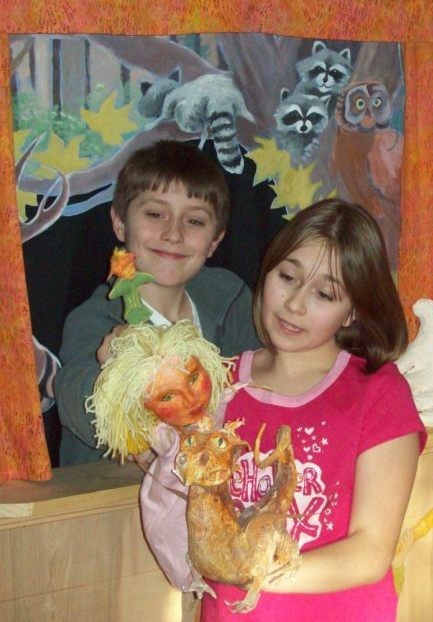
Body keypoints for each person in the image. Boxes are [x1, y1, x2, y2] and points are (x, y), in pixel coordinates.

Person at [196, 198, 427, 621]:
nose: (295, 304)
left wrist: (249, 571)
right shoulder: (217, 382)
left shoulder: (379, 392)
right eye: (288, 277)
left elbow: (370, 553)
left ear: (352, 311)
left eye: (324, 294)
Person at [54, 140, 259, 466]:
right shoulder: (94, 320)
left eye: (194, 221)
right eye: (155, 214)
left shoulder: (230, 296)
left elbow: (266, 382)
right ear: (120, 222)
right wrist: (121, 368)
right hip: (119, 496)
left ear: (215, 240)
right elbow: (74, 399)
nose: (173, 233)